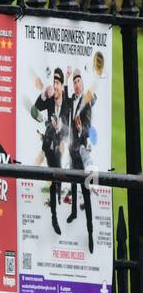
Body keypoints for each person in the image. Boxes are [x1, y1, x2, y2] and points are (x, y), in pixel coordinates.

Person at [32, 67, 72, 237]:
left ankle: (57, 188)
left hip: (61, 143)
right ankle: (54, 215)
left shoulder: (67, 102)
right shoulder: (49, 99)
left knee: (57, 170)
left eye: (57, 83)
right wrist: (43, 94)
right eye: (53, 82)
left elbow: (68, 127)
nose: (55, 86)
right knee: (54, 171)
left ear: (62, 86)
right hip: (49, 142)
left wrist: (60, 130)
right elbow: (36, 107)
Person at [67, 70, 95, 251]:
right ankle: (74, 212)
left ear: (83, 84)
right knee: (73, 184)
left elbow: (88, 130)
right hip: (71, 151)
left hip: (82, 152)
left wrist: (79, 129)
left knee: (86, 191)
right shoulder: (72, 100)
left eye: (79, 81)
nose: (77, 84)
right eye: (75, 81)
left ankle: (90, 232)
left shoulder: (86, 105)